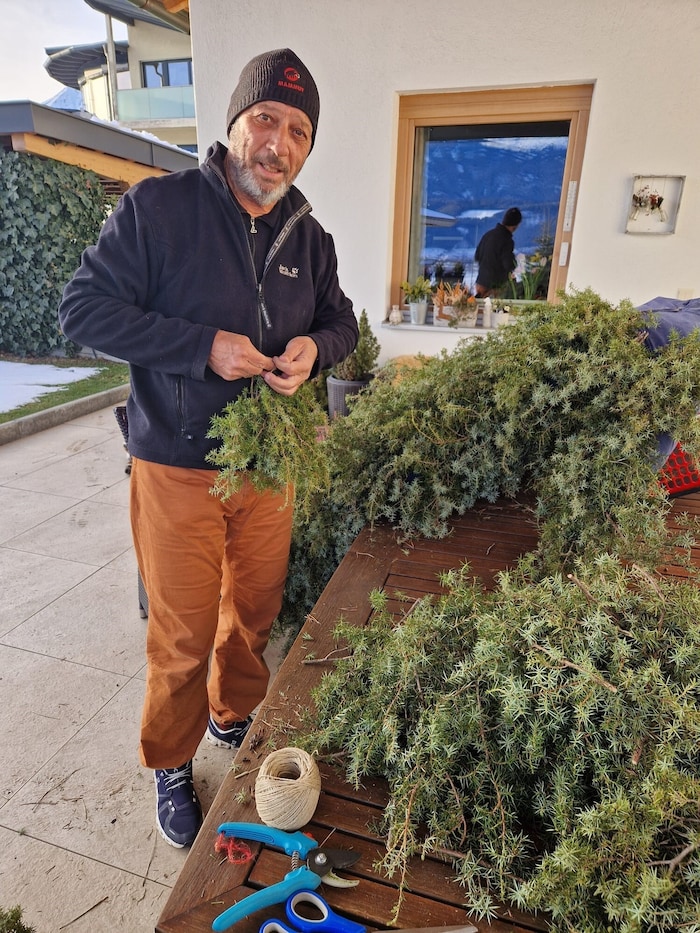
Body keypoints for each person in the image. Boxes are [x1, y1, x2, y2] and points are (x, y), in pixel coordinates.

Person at [58, 48, 358, 848]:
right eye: (266, 119)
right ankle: (169, 757)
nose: (279, 142)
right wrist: (201, 348)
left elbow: (344, 323)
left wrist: (314, 352)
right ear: (233, 125)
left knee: (253, 611)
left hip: (268, 464)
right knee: (183, 630)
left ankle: (230, 716)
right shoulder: (158, 211)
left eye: (298, 130)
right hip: (177, 466)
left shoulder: (310, 235)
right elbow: (82, 310)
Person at [474, 206, 522, 297]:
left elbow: (477, 256)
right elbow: (508, 264)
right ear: (515, 226)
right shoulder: (507, 240)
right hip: (496, 287)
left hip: (481, 282)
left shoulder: (488, 235)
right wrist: (516, 263)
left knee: (479, 309)